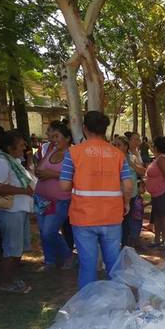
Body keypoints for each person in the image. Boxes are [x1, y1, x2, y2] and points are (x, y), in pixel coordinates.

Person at [59, 111, 133, 290]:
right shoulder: (118, 154)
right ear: (105, 129)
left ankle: (87, 305)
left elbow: (64, 186)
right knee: (114, 265)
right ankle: (118, 302)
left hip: (83, 217)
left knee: (88, 265)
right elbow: (128, 186)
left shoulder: (73, 153)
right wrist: (127, 202)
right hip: (112, 217)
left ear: (85, 128)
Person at [0, 130, 35, 293]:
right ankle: (7, 282)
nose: (24, 148)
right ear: (9, 147)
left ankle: (12, 278)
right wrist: (24, 191)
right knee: (12, 248)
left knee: (18, 248)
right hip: (10, 212)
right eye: (21, 145)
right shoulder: (1, 162)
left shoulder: (12, 160)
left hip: (19, 210)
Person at [34, 121, 74, 271]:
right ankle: (49, 261)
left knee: (48, 232)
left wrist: (52, 174)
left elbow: (74, 177)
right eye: (52, 136)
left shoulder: (72, 155)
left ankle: (68, 255)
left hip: (59, 201)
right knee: (43, 232)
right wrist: (40, 171)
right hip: (40, 199)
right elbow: (39, 168)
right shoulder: (50, 150)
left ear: (67, 138)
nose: (53, 139)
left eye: (57, 136)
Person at [145, 136, 165, 248]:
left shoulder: (162, 159)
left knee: (163, 217)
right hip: (157, 193)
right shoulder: (158, 158)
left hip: (163, 192)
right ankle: (157, 239)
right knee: (157, 216)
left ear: (156, 146)